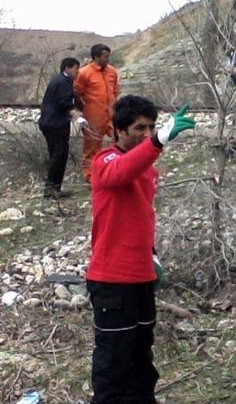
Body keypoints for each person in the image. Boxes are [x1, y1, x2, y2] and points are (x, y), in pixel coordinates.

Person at [86, 96, 195, 404]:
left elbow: (142, 215)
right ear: (118, 131)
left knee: (141, 359)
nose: (146, 135)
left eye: (152, 128)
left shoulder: (148, 169)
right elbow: (121, 170)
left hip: (142, 277)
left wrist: (152, 254)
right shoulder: (105, 162)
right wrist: (159, 141)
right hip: (112, 281)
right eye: (139, 128)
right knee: (113, 361)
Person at [38, 57, 87, 198]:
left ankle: (54, 189)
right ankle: (51, 190)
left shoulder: (63, 80)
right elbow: (65, 102)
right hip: (55, 124)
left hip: (51, 123)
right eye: (76, 68)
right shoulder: (62, 82)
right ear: (67, 68)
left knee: (58, 154)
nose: (78, 71)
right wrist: (78, 117)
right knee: (59, 155)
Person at [74, 44, 120, 183]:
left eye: (108, 56)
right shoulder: (83, 73)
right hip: (93, 115)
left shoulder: (112, 71)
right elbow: (77, 93)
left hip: (111, 114)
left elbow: (115, 90)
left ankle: (114, 172)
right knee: (92, 147)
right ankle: (91, 178)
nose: (108, 59)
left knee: (118, 142)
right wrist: (83, 111)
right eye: (105, 57)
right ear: (96, 57)